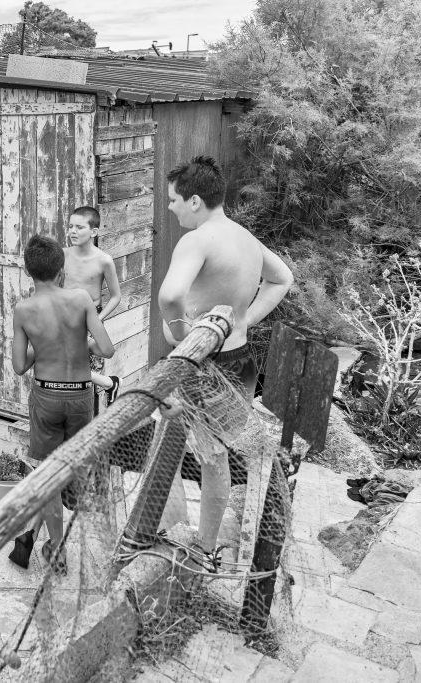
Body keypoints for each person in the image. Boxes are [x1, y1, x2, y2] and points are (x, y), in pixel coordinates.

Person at [157, 155, 293, 558]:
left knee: (198, 451)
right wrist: (244, 319)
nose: (170, 207)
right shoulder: (245, 238)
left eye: (173, 200)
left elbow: (169, 296)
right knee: (211, 453)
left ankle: (186, 541)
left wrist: (184, 338)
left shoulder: (197, 239)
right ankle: (201, 541)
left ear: (195, 200)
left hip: (203, 366)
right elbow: (282, 278)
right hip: (240, 358)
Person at [8, 234, 115, 574]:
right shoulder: (82, 299)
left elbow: (19, 366)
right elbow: (106, 349)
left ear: (29, 272)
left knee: (48, 477)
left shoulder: (23, 309)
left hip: (47, 396)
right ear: (60, 268)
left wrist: (44, 343)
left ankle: (55, 547)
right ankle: (37, 538)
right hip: (81, 396)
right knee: (68, 472)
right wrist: (78, 345)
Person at [64, 206, 124, 405]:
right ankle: (110, 383)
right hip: (65, 317)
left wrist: (97, 320)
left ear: (94, 232)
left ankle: (97, 407)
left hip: (91, 319)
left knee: (90, 373)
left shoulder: (104, 260)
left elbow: (116, 296)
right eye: (71, 226)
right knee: (64, 368)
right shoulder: (62, 255)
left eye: (79, 227)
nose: (72, 231)